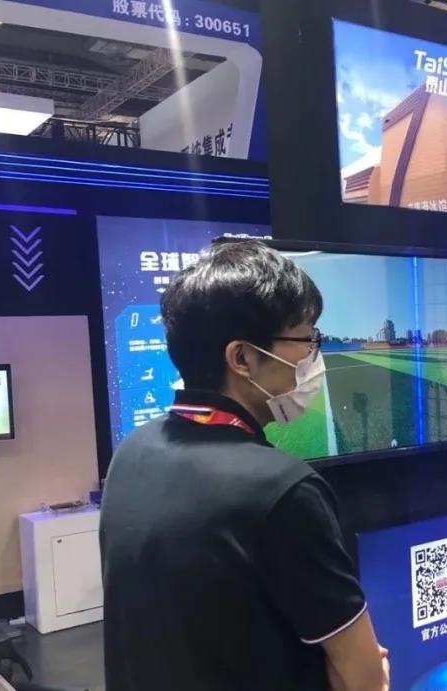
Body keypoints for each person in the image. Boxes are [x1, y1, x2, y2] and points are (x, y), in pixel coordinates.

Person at [100, 241, 389, 691]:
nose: (313, 357)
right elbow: (365, 678)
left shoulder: (131, 453)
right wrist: (365, 671)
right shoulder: (283, 490)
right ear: (242, 358)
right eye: (306, 340)